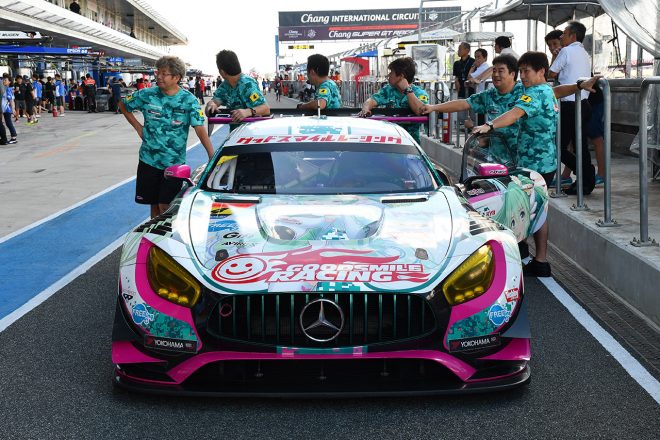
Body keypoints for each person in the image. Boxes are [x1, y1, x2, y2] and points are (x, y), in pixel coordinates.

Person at [422, 54, 598, 276]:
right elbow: (556, 91)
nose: (522, 76)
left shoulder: (531, 92)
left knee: (533, 208)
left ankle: (538, 260)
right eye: (520, 71)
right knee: (530, 206)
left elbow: (515, 114)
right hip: (525, 161)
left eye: (525, 71)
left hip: (534, 162)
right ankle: (527, 252)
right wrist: (579, 85)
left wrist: (489, 125)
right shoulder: (536, 90)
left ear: (539, 72)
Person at [118, 55, 214, 219]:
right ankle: (155, 234)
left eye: (164, 73)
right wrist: (138, 128)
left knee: (166, 206)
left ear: (176, 77)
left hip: (173, 162)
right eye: (158, 72)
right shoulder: (147, 94)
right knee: (154, 205)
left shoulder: (189, 100)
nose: (159, 77)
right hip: (149, 159)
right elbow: (123, 105)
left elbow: (199, 127)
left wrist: (211, 155)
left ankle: (169, 234)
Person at [549, 20, 596, 195]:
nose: (561, 36)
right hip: (583, 104)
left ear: (573, 36)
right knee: (580, 145)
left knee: (558, 146)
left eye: (564, 33)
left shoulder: (566, 51)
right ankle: (585, 181)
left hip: (570, 104)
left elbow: (551, 73)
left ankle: (585, 174)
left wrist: (556, 55)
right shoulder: (584, 53)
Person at [358, 57, 429, 144]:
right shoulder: (388, 90)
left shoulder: (419, 93)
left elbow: (420, 110)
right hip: (390, 141)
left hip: (410, 143)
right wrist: (366, 108)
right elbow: (372, 100)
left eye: (391, 72)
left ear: (401, 76)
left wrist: (407, 89)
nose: (388, 76)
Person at [205, 49, 269, 125]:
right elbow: (214, 102)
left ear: (222, 72)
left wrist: (248, 112)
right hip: (235, 131)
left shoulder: (248, 84)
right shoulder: (225, 86)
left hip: (251, 130)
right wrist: (211, 104)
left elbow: (266, 109)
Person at [2, 76, 17, 143]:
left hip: (6, 109)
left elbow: (11, 100)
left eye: (5, 80)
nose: (4, 81)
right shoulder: (7, 89)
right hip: (4, 108)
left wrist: (13, 109)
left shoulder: (8, 89)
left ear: (9, 82)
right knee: (7, 123)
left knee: (8, 123)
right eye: (3, 80)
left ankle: (14, 138)